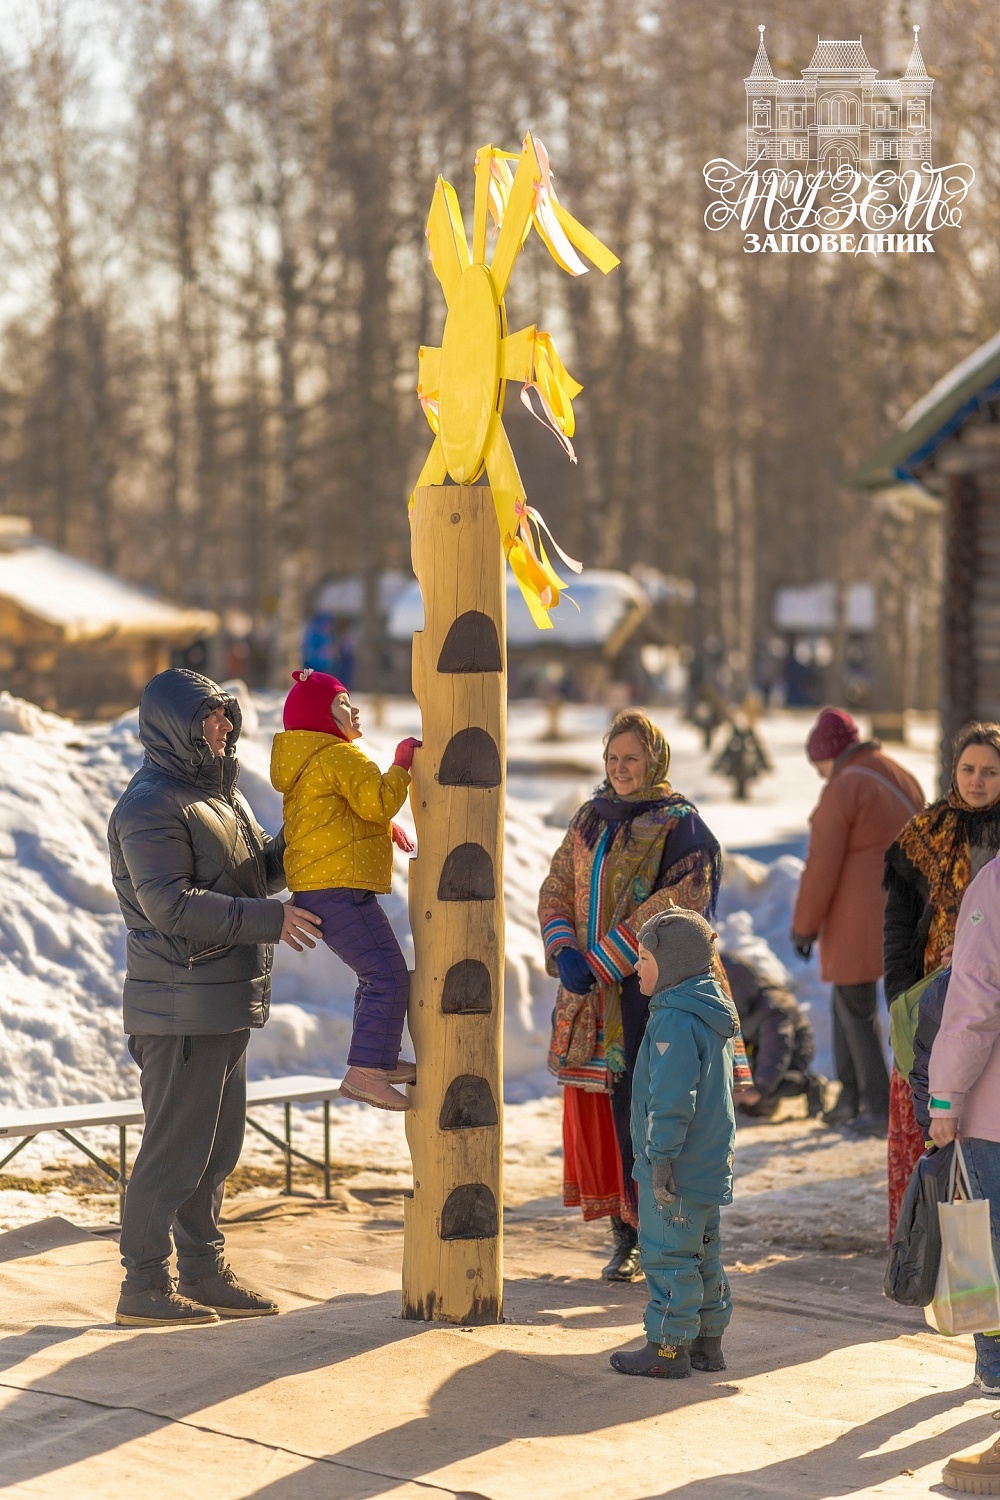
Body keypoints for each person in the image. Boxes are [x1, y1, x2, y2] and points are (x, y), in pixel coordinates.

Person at [108, 669, 323, 1328]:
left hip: (222, 1003)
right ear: (178, 724)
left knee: (215, 1149)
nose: (227, 728)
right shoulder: (149, 805)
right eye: (213, 717)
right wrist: (270, 921)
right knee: (174, 1150)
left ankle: (202, 1271)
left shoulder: (223, 798)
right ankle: (143, 1285)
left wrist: (325, 826)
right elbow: (170, 904)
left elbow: (258, 873)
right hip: (178, 1008)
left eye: (227, 716)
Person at [538, 709, 725, 1283]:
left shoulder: (681, 827)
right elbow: (557, 885)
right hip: (592, 998)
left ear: (655, 762)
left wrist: (600, 960)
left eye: (632, 759)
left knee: (652, 1114)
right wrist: (563, 945)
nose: (620, 770)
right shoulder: (590, 820)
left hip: (653, 995)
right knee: (605, 1113)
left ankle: (662, 1236)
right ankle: (625, 1236)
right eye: (613, 759)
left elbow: (678, 904)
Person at [270, 669, 421, 1111]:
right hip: (339, 890)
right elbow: (376, 798)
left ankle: (377, 1059)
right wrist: (401, 766)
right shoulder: (341, 756)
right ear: (322, 718)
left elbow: (333, 814)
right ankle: (365, 1073)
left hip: (320, 889)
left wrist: (381, 827)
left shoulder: (308, 762)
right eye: (341, 704)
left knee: (374, 975)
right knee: (387, 976)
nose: (352, 710)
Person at [884, 721, 1000, 1238]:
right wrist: (899, 999)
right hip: (928, 1006)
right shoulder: (924, 832)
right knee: (925, 1131)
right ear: (952, 770)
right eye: (968, 769)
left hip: (980, 999)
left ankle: (968, 1263)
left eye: (991, 772)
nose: (977, 781)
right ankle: (920, 1241)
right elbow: (898, 926)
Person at [610, 910, 737, 1379]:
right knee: (703, 1252)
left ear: (674, 964)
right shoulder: (709, 1011)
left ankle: (666, 1348)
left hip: (677, 1166)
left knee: (667, 1255)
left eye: (644, 958)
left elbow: (671, 1099)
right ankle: (708, 1343)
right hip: (708, 1163)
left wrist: (659, 1158)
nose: (636, 968)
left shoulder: (674, 1022)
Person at [790, 707, 923, 1137]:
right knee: (851, 1002)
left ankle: (873, 1103)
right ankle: (849, 1097)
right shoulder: (899, 773)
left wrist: (804, 926)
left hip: (860, 915)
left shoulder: (844, 786)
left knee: (856, 1006)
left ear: (830, 754)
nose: (819, 775)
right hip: (908, 908)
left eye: (818, 765)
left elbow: (821, 863)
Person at [928, 854, 1000, 1398]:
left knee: (984, 1246)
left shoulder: (996, 882)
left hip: (992, 1111)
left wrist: (946, 1098)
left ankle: (997, 1368)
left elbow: (974, 997)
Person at [722, 952, 824, 1120]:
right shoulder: (732, 1004)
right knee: (749, 1105)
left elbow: (776, 1051)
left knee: (763, 1093)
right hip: (754, 1050)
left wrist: (758, 1089)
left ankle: (809, 1085)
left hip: (791, 1051)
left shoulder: (773, 1006)